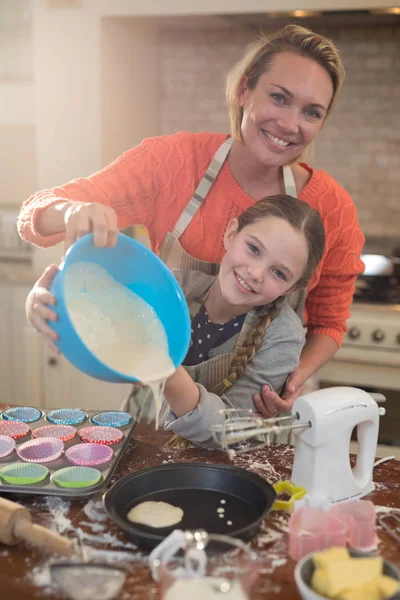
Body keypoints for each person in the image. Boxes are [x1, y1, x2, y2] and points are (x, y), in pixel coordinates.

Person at [18, 24, 365, 418]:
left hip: (255, 415)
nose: (289, 123)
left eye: (310, 112)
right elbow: (36, 213)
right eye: (279, 97)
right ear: (244, 91)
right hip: (157, 407)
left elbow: (330, 322)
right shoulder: (173, 163)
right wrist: (58, 279)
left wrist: (293, 378)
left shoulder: (331, 207)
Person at [26, 195, 325, 446]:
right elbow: (96, 313)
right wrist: (46, 302)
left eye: (279, 273)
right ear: (231, 234)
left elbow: (233, 431)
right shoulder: (176, 288)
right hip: (139, 440)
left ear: (293, 288)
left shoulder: (283, 336)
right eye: (254, 249)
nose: (256, 273)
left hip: (216, 470)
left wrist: (164, 368)